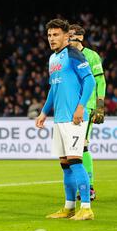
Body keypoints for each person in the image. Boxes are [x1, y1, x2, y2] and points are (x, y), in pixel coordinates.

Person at [35, 19, 95, 220]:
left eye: (56, 34)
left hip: (74, 118)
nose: (51, 39)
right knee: (65, 163)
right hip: (60, 119)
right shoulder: (53, 58)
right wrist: (44, 112)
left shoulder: (73, 53)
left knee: (76, 161)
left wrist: (80, 107)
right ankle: (69, 207)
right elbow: (54, 88)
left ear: (67, 35)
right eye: (49, 35)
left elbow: (90, 80)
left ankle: (86, 208)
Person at [68, 24, 106, 201]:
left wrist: (99, 104)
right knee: (72, 149)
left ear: (80, 38)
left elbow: (100, 81)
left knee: (82, 145)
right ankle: (81, 186)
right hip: (70, 107)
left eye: (71, 36)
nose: (68, 39)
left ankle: (89, 188)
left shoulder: (91, 56)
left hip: (87, 106)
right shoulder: (66, 55)